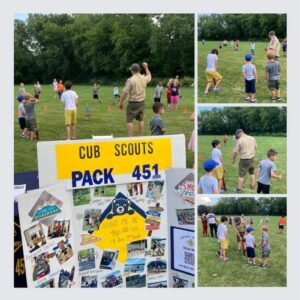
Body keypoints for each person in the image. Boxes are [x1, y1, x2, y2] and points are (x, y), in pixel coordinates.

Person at [119, 62, 151, 137]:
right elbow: (149, 76)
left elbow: (125, 93)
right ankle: (140, 136)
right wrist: (146, 67)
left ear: (133, 70)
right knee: (141, 119)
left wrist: (121, 102)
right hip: (142, 102)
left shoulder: (130, 80)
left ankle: (130, 137)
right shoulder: (144, 78)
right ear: (139, 70)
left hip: (133, 103)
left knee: (129, 120)